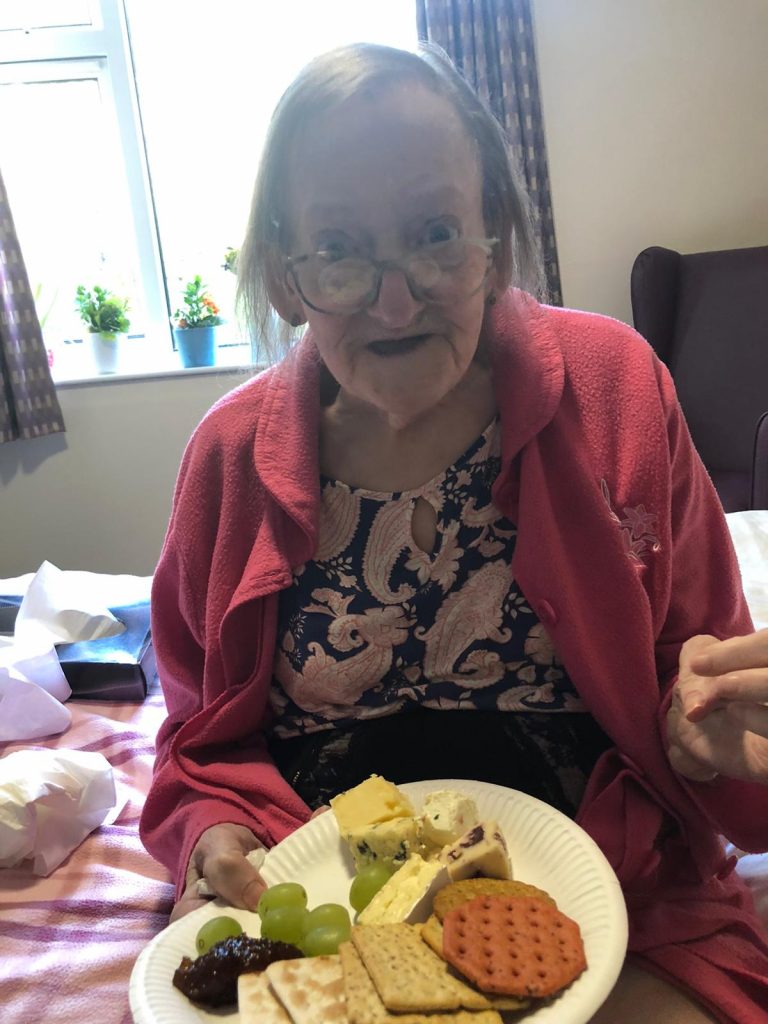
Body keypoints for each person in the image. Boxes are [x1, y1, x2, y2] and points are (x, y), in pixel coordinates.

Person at [140, 42, 768, 1023]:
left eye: (435, 233)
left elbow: (705, 696)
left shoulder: (617, 392)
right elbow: (197, 739)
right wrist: (214, 830)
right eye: (339, 248)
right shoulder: (227, 459)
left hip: (615, 889)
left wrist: (706, 736)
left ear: (496, 246)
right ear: (285, 276)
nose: (394, 301)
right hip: (325, 907)